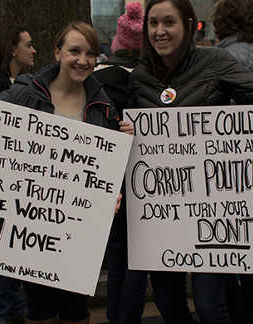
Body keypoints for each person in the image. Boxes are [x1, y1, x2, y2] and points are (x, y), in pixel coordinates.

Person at [130, 1, 253, 323]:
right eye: (153, 23)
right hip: (161, 215)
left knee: (209, 305)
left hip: (211, 211)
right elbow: (125, 133)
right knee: (167, 303)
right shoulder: (138, 77)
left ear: (189, 24)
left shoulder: (217, 61)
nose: (159, 31)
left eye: (169, 22)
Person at [0, 21, 133, 324]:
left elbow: (108, 168)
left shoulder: (103, 105)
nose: (83, 60)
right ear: (57, 52)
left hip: (79, 231)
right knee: (39, 309)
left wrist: (114, 186)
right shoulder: (25, 94)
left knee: (75, 311)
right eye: (74, 51)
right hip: (31, 224)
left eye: (91, 53)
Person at [212, 0, 253, 322]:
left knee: (228, 250)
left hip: (233, 166)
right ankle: (250, 311)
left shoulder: (224, 58)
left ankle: (237, 313)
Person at [93, 3, 149, 324]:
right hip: (141, 182)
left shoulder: (96, 76)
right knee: (136, 261)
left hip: (108, 180)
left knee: (115, 259)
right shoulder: (146, 80)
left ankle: (115, 317)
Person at [0, 25, 36, 324]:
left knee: (13, 265)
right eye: (28, 44)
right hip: (0, 189)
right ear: (13, 49)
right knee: (3, 263)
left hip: (18, 188)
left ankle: (13, 314)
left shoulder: (27, 85)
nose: (33, 50)